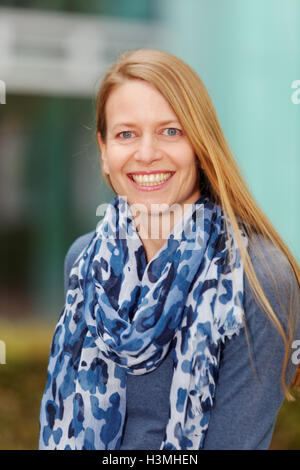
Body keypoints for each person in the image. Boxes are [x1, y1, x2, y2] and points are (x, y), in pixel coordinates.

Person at [39, 49, 300, 450]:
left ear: (200, 145)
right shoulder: (84, 261)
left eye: (170, 131)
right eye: (126, 134)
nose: (146, 153)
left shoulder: (260, 278)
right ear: (104, 151)